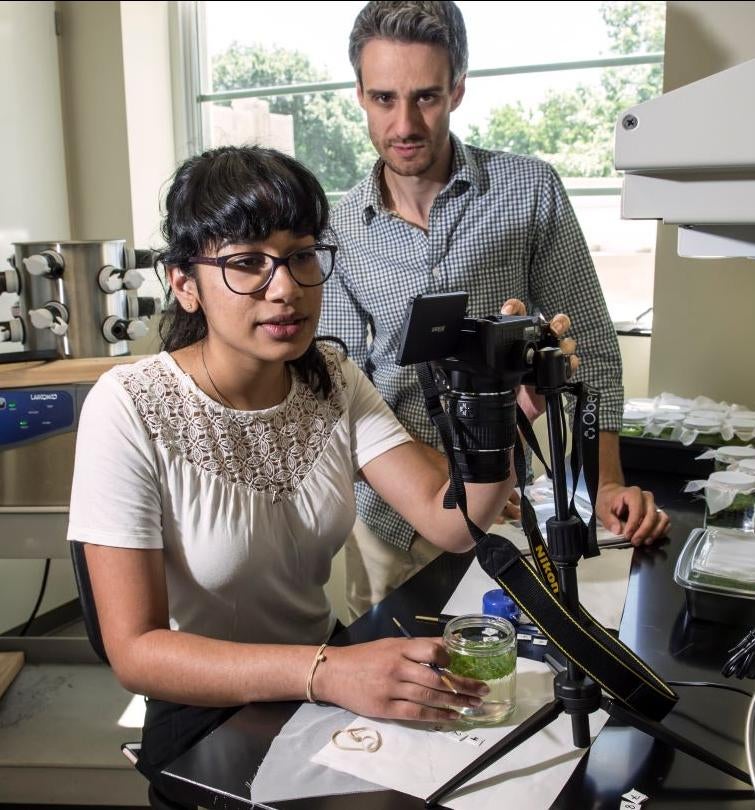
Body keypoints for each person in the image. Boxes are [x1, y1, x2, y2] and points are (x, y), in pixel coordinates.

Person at [66, 144, 575, 796]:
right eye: (247, 263)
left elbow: (449, 522)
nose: (286, 289)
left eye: (301, 254)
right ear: (184, 283)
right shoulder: (132, 404)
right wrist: (328, 671)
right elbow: (135, 652)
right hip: (207, 711)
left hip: (324, 676)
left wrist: (503, 410)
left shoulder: (329, 378)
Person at [319, 0, 670, 621]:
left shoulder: (529, 190)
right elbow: (344, 390)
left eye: (426, 97)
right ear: (359, 94)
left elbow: (589, 346)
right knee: (394, 686)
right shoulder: (340, 227)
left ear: (457, 89)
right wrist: (459, 479)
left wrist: (605, 483)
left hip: (511, 504)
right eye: (383, 99)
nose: (404, 122)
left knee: (511, 685)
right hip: (389, 518)